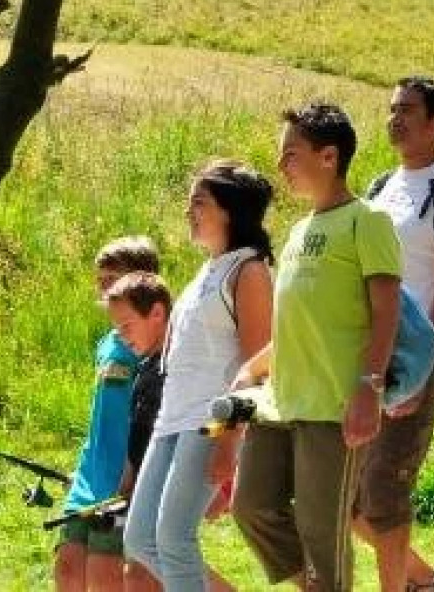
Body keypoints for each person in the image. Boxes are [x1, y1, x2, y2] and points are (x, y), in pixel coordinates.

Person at [231, 102, 403, 592]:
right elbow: (296, 324)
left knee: (321, 533)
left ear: (329, 156)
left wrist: (369, 387)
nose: (282, 165)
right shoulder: (299, 230)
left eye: (291, 153)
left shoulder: (366, 220)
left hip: (334, 404)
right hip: (280, 400)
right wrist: (252, 368)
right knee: (252, 507)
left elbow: (386, 310)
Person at [122, 160, 274, 592]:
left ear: (228, 210)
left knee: (173, 538)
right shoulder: (208, 268)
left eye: (199, 201)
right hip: (171, 420)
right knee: (140, 539)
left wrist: (230, 441)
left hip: (209, 423)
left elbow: (259, 367)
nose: (189, 210)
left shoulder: (249, 270)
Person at [355, 77, 434, 592]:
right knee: (346, 497)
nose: (395, 118)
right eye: (391, 109)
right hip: (371, 357)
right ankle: (429, 583)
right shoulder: (381, 187)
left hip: (421, 358)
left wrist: (410, 372)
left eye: (407, 109)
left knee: (384, 489)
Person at [56, 237, 160, 592]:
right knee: (68, 570)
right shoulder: (107, 342)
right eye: (99, 278)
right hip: (90, 477)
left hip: (125, 477)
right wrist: (84, 466)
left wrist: (132, 476)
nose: (102, 286)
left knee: (107, 577)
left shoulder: (148, 342)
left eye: (111, 278)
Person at [104, 270, 175, 592]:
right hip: (143, 482)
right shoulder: (144, 365)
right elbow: (138, 430)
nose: (121, 336)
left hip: (167, 480)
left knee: (158, 563)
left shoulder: (176, 365)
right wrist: (129, 476)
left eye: (127, 326)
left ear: (157, 314)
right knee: (139, 571)